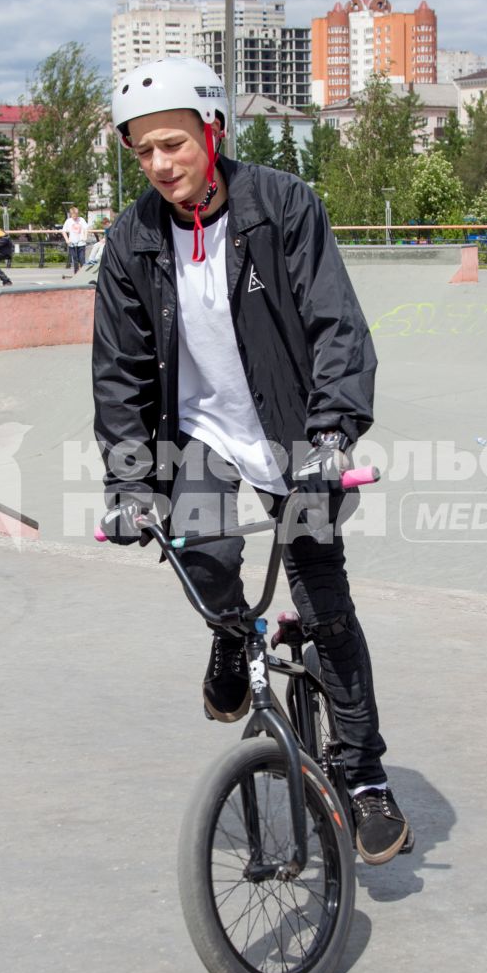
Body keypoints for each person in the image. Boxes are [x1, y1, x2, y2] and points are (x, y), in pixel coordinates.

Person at [92, 55, 409, 864]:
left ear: (213, 131)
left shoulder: (282, 206)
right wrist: (130, 482)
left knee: (323, 596)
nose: (160, 164)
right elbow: (120, 373)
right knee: (201, 550)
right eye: (142, 151)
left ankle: (364, 774)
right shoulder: (131, 244)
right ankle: (233, 631)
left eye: (172, 143)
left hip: (296, 432)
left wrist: (333, 433)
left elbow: (337, 323)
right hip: (203, 434)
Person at [61, 205, 90, 276]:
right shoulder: (68, 221)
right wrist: (67, 240)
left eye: (76, 215)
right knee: (75, 259)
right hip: (72, 243)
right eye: (73, 215)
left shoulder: (81, 220)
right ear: (71, 215)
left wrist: (85, 237)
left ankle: (83, 274)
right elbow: (63, 231)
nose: (75, 217)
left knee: (82, 259)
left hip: (81, 243)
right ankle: (76, 273)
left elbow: (86, 229)